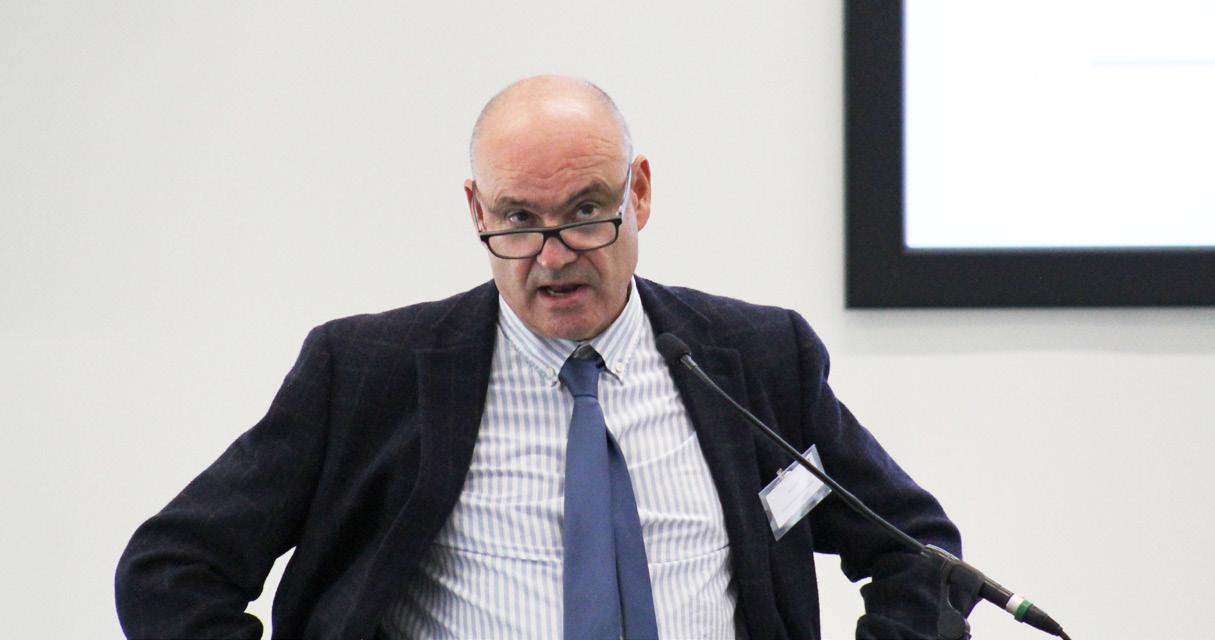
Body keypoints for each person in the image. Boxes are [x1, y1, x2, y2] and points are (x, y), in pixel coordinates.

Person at [116, 75, 964, 639]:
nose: (552, 257)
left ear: (638, 192)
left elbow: (920, 553)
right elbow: (171, 570)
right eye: (519, 219)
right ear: (475, 210)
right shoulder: (369, 371)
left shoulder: (754, 359)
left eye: (586, 211)